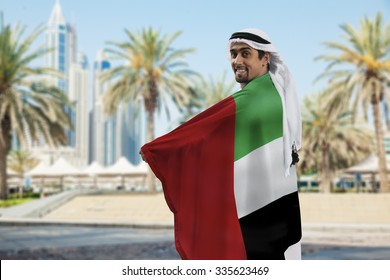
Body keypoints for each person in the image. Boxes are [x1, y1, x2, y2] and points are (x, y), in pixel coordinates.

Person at [140, 28, 302, 260]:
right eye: (234, 54)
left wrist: (159, 149)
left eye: (246, 53)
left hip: (262, 212)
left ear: (265, 57)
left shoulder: (256, 98)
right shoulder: (275, 92)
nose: (237, 60)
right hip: (274, 207)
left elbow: (205, 126)